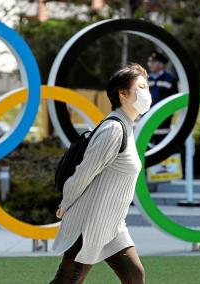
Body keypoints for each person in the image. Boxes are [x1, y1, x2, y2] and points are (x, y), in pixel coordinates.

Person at [49, 63, 151, 284]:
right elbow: (84, 172)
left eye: (147, 87)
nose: (147, 93)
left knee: (135, 277)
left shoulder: (127, 127)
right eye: (141, 87)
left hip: (112, 225)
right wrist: (66, 203)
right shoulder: (114, 129)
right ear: (122, 93)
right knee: (67, 281)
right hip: (89, 223)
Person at [146, 51, 179, 147]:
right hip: (146, 126)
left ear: (161, 64)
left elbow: (174, 103)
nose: (150, 64)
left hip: (163, 127)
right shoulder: (145, 79)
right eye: (149, 61)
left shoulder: (170, 80)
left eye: (153, 62)